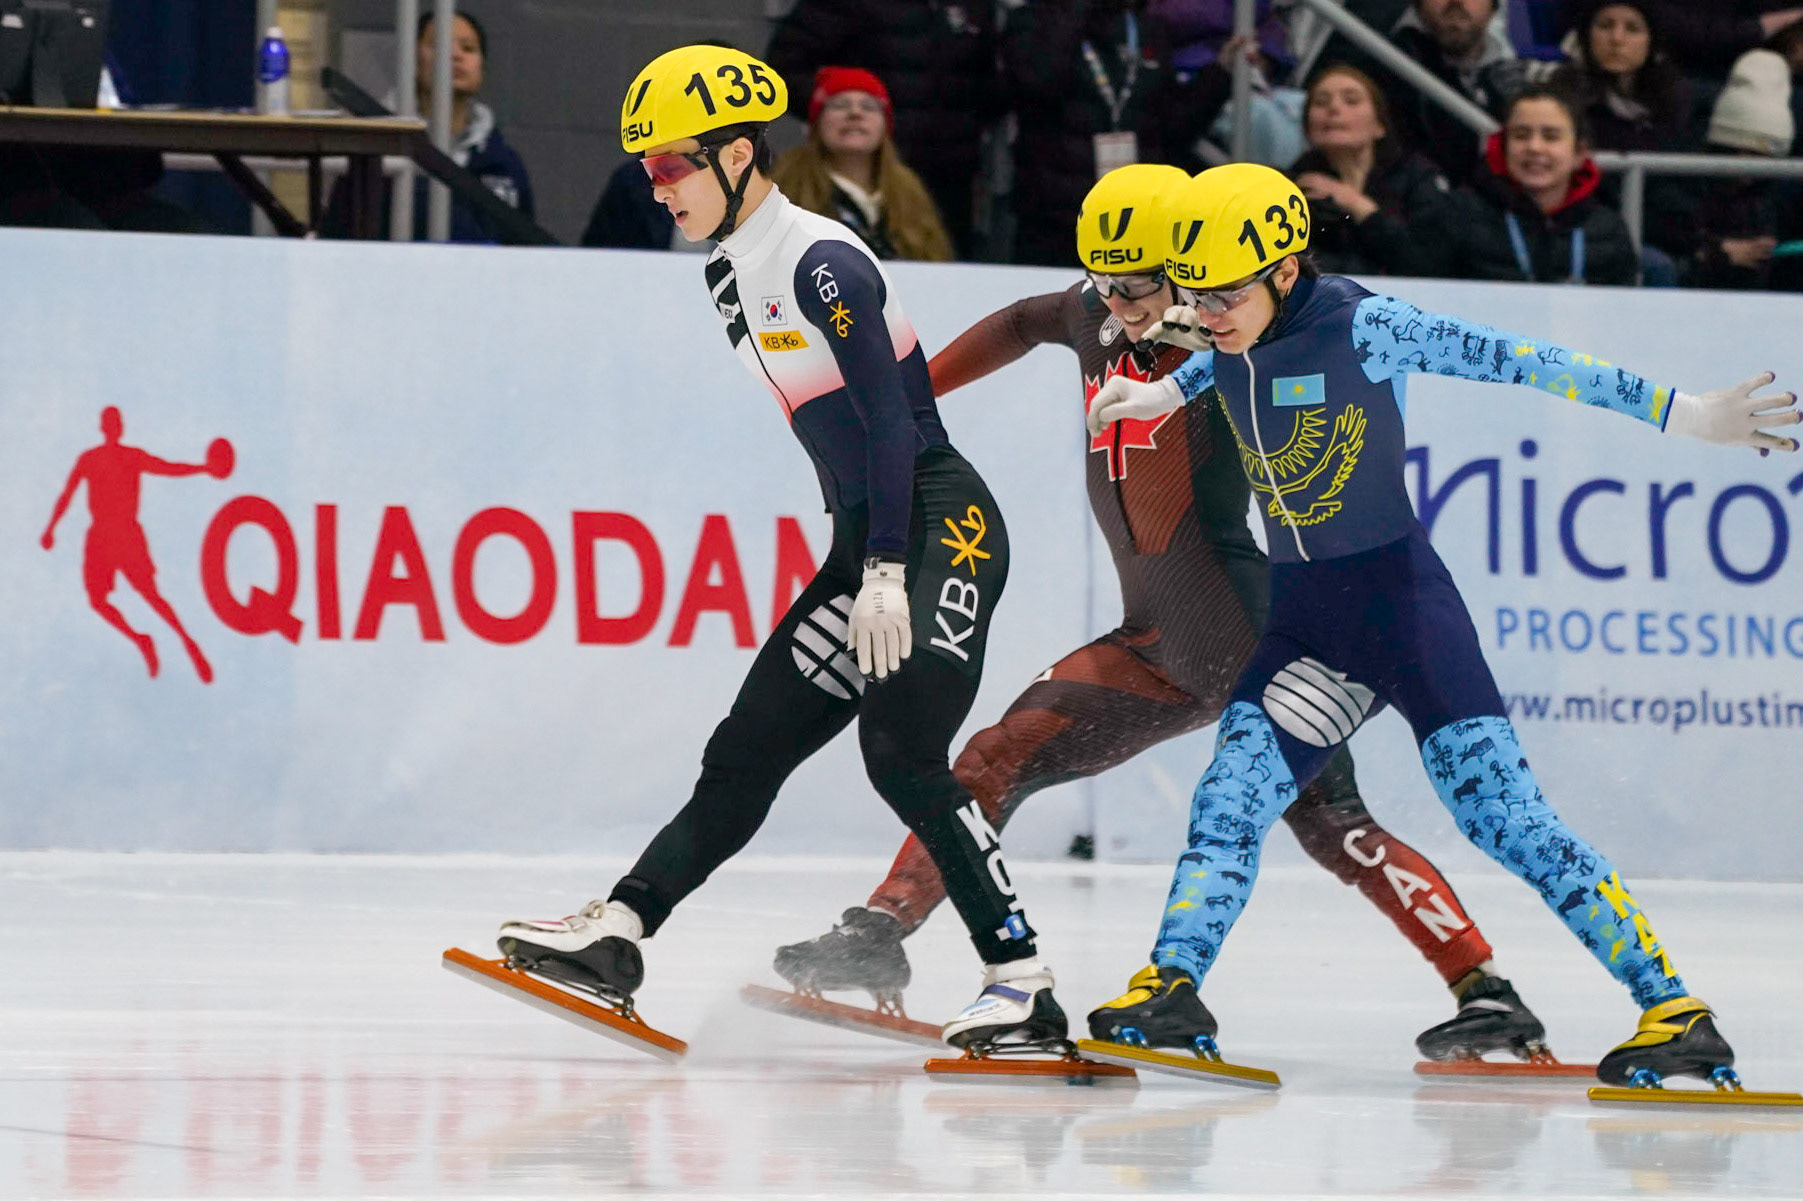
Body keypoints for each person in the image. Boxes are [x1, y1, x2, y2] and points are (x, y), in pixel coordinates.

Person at [773, 164, 1552, 1065]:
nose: (1118, 308)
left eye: (1139, 288)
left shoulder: (1229, 342)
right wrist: (908, 405)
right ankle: (878, 926)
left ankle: (1485, 991)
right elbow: (1023, 322)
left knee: (1334, 824)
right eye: (1103, 283)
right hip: (1155, 643)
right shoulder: (1096, 308)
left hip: (1248, 631)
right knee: (992, 756)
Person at [1083, 161, 1798, 1087]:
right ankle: (1170, 989)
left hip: (1400, 613)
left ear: (1286, 272)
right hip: (1306, 627)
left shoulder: (1369, 324)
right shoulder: (1225, 317)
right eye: (1194, 294)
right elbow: (1221, 357)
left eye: (1222, 294)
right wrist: (1158, 395)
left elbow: (1538, 363)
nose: (1205, 313)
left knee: (1505, 821)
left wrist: (1688, 415)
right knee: (1228, 799)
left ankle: (1676, 1011)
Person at [492, 45, 1065, 1053]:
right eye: (646, 171)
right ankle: (622, 930)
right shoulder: (728, 269)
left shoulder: (819, 261)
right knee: (745, 750)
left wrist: (887, 566)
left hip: (939, 528)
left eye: (672, 165)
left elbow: (892, 421)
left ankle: (1021, 981)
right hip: (870, 544)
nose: (656, 187)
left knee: (901, 757)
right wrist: (861, 558)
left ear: (738, 157)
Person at [766, 0, 998, 259]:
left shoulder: (974, 8)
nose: (855, 112)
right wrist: (838, 106)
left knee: (939, 266)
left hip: (952, 172)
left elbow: (990, 83)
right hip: (857, 166)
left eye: (863, 107)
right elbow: (784, 68)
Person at [1001, 0, 1223, 266]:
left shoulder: (1146, 29)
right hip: (1054, 219)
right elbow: (1039, 82)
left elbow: (1170, 127)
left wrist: (1220, 74)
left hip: (1133, 219)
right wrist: (1075, 11)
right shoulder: (1031, 21)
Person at [324, 10, 533, 243]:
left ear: (482, 68)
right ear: (412, 60)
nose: (455, 55)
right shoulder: (374, 151)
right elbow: (340, 236)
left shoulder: (504, 164)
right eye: (438, 44)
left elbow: (524, 252)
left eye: (468, 48)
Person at [1441, 85, 1639, 284]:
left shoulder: (1609, 229)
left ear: (1579, 154)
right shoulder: (1459, 215)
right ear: (1503, 147)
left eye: (1551, 136)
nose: (1535, 147)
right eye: (1521, 135)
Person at [1325, 0, 1529, 185]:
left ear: (1494, 7)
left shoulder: (1517, 80)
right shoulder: (1383, 70)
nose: (1456, 2)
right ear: (1416, 5)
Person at [770, 67, 954, 262]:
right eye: (839, 105)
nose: (855, 113)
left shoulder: (909, 194)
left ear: (885, 126)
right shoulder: (786, 189)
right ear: (817, 123)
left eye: (869, 106)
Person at [1288, 64, 1455, 276]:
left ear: (1380, 125)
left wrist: (1357, 206)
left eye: (1351, 100)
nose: (1334, 108)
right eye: (1321, 102)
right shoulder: (1291, 188)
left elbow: (1429, 262)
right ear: (1307, 128)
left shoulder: (1419, 178)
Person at [1684, 49, 1798, 289]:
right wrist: (1717, 251)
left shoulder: (1781, 191)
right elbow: (1672, 234)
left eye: (1757, 156)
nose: (1744, 165)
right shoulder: (1690, 182)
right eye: (1733, 152)